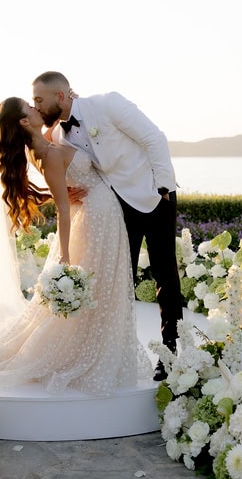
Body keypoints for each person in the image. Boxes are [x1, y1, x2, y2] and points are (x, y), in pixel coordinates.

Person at [0, 96, 152, 395]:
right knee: (98, 288)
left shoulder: (46, 140)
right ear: (25, 121)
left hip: (103, 216)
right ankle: (81, 354)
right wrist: (64, 255)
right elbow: (63, 211)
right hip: (93, 221)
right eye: (31, 107)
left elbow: (63, 150)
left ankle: (101, 348)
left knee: (106, 288)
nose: (38, 109)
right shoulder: (46, 153)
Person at [31, 71, 183, 381]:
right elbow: (38, 154)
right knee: (117, 282)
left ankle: (170, 351)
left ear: (60, 97)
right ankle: (115, 352)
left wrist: (164, 186)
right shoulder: (59, 136)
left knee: (164, 273)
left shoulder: (109, 104)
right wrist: (56, 193)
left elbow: (154, 137)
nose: (36, 106)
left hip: (154, 196)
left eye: (39, 100)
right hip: (115, 210)